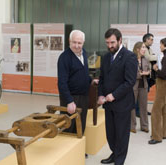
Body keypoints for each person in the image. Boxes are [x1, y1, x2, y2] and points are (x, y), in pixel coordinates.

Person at [97, 28, 137, 165]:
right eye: (107, 43)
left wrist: (114, 95)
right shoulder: (106, 56)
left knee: (121, 134)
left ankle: (119, 160)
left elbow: (130, 82)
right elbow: (102, 78)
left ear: (120, 40)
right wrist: (101, 94)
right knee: (111, 133)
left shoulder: (129, 56)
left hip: (122, 103)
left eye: (112, 42)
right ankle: (114, 153)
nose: (110, 46)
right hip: (108, 104)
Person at [57, 30, 97, 136]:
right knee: (69, 126)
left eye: (79, 43)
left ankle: (79, 151)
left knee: (81, 123)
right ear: (69, 41)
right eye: (74, 42)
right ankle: (68, 151)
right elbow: (62, 83)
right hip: (70, 98)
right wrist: (69, 101)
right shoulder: (64, 58)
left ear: (83, 43)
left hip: (83, 96)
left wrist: (91, 80)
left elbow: (83, 73)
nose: (77, 46)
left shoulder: (84, 53)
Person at [149, 37, 166, 145]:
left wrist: (155, 69)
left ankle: (157, 137)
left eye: (160, 44)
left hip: (163, 83)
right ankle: (163, 133)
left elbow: (163, 74)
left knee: (155, 111)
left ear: (164, 44)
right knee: (163, 109)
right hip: (165, 84)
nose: (159, 46)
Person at [131, 42, 150, 133]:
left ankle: (144, 126)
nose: (144, 49)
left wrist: (148, 72)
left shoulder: (146, 59)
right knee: (132, 106)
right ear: (137, 49)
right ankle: (132, 126)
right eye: (143, 47)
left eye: (145, 47)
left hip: (144, 85)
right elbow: (129, 74)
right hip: (133, 85)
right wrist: (140, 74)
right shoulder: (131, 60)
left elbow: (148, 71)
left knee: (143, 106)